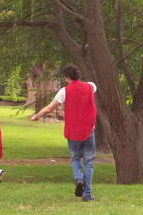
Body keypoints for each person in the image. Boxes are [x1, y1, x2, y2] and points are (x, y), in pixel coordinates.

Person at [31, 64, 97, 202]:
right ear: (78, 74)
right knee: (89, 162)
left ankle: (79, 179)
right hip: (89, 130)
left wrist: (37, 116)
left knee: (75, 158)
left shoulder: (64, 91)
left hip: (73, 132)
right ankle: (87, 194)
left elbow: (49, 108)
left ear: (67, 77)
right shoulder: (91, 86)